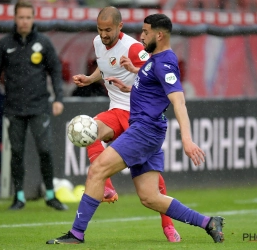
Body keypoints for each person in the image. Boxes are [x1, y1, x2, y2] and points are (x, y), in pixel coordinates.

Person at [46, 13, 225, 244]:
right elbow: (153, 91)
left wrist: (187, 140)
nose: (141, 36)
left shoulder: (165, 63)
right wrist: (129, 85)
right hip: (146, 130)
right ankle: (209, 222)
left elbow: (178, 101)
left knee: (98, 169)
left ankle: (76, 234)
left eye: (146, 32)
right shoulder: (154, 59)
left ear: (159, 35)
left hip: (144, 131)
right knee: (150, 197)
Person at [72, 7, 180, 242]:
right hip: (116, 110)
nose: (103, 35)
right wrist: (90, 78)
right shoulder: (98, 42)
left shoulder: (133, 47)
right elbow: (104, 65)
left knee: (153, 183)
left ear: (119, 27)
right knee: (89, 129)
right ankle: (107, 187)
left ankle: (168, 226)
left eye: (108, 30)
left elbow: (154, 70)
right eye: (100, 30)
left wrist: (131, 76)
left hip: (138, 114)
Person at [0, 1, 68, 211]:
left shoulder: (44, 43)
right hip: (13, 108)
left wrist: (58, 97)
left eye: (28, 17)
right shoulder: (4, 44)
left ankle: (50, 195)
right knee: (17, 153)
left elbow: (55, 70)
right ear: (15, 18)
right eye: (21, 17)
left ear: (33, 18)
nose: (24, 21)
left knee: (46, 150)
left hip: (39, 106)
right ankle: (19, 197)